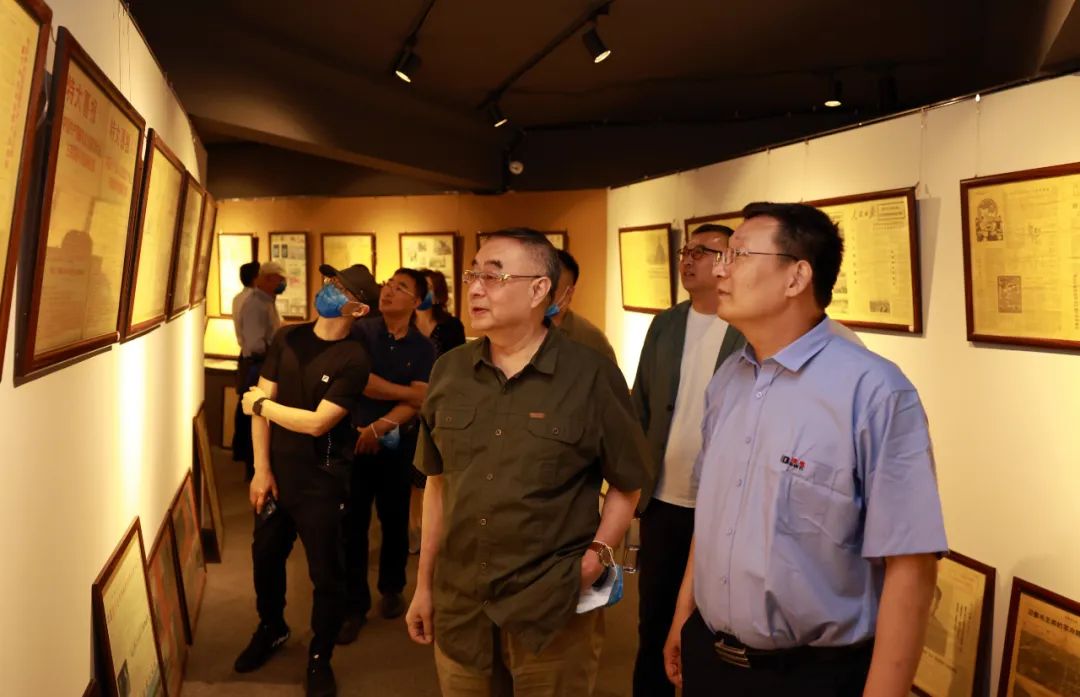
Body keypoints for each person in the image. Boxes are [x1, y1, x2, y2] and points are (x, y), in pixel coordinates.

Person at [663, 203, 947, 697]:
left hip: (810, 676)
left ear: (796, 277)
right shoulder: (728, 379)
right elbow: (713, 516)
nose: (720, 270)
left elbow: (911, 565)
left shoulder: (875, 392)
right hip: (709, 656)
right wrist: (684, 616)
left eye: (737, 255)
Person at [405, 228, 649, 696]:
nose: (475, 288)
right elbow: (438, 484)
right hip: (462, 605)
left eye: (493, 276)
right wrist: (424, 585)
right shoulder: (449, 371)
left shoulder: (590, 374)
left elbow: (628, 481)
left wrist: (595, 559)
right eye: (473, 274)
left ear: (539, 290)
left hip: (551, 607)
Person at [235, 263, 380, 697]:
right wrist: (261, 469)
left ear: (359, 309)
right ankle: (272, 627)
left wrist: (260, 406)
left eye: (340, 288)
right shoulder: (287, 338)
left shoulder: (354, 358)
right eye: (330, 282)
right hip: (277, 474)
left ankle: (320, 655)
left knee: (325, 573)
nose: (328, 290)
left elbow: (317, 423)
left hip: (322, 480)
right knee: (265, 557)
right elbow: (264, 400)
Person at [629, 223, 745, 697]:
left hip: (721, 505)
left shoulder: (744, 326)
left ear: (728, 261)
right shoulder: (666, 324)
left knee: (712, 622)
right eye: (686, 250)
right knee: (654, 617)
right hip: (663, 496)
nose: (688, 258)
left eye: (703, 251)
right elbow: (641, 403)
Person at [337, 268, 435, 644]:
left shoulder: (423, 347)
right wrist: (410, 394)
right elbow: (363, 382)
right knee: (352, 525)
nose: (389, 291)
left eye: (401, 288)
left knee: (394, 520)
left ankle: (392, 588)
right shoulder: (360, 332)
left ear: (416, 301)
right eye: (389, 284)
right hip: (354, 438)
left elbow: (418, 400)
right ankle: (353, 605)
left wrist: (380, 428)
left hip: (395, 441)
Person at [410, 268, 467, 554]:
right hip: (407, 404)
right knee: (410, 476)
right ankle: (413, 531)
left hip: (440, 403)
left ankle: (433, 532)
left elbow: (458, 368)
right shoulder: (406, 324)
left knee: (433, 474)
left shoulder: (450, 326)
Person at [233, 261, 285, 480]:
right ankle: (253, 468)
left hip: (262, 363)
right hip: (256, 365)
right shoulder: (256, 304)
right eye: (279, 279)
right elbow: (255, 344)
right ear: (266, 279)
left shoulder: (267, 302)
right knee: (254, 414)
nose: (282, 283)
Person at [549, 249, 617, 364]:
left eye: (550, 288)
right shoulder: (521, 330)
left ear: (568, 293)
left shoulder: (592, 341)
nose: (539, 293)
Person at [415, 268, 466, 357]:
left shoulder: (453, 326)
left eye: (427, 288)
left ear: (437, 295)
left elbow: (460, 360)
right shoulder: (401, 323)